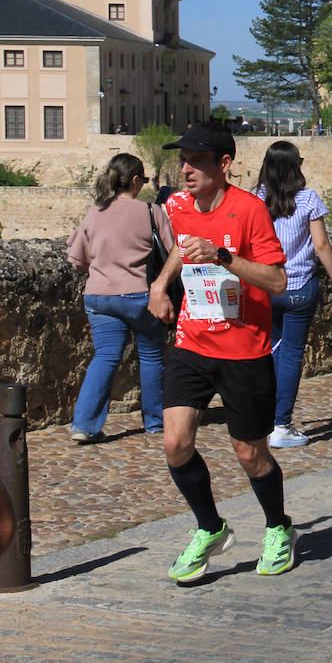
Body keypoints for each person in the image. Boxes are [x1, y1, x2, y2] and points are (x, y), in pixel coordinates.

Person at [147, 123, 293, 583]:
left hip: (244, 348)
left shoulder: (249, 210)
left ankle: (278, 527)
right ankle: (210, 527)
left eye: (196, 161)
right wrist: (160, 283)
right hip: (192, 342)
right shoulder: (179, 205)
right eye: (182, 160)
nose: (185, 169)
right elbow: (185, 247)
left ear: (224, 165)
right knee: (175, 442)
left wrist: (223, 257)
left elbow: (277, 281)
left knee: (249, 453)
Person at [65, 153, 171, 443]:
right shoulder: (151, 212)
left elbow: (76, 258)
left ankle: (84, 426)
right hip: (139, 295)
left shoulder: (94, 211)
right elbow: (174, 254)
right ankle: (155, 422)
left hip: (99, 296)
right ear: (136, 181)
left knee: (106, 357)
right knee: (151, 356)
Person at [253, 141, 332, 449]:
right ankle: (281, 424)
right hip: (297, 287)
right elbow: (321, 246)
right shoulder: (307, 200)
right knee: (290, 353)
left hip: (263, 286)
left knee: (267, 349)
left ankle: (261, 417)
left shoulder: (254, 199)